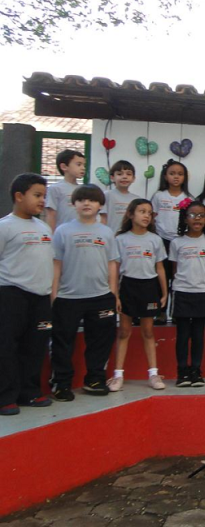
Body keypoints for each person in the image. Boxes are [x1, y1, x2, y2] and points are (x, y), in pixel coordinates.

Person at [50, 185, 120, 400]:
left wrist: (113, 293)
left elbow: (112, 264)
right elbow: (56, 264)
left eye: (92, 200)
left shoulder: (106, 232)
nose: (87, 203)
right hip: (67, 297)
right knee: (63, 342)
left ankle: (95, 379)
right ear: (74, 204)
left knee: (100, 341)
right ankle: (62, 383)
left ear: (100, 205)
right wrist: (54, 294)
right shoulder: (62, 231)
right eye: (81, 200)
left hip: (101, 297)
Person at [0, 174, 54, 416]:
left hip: (40, 296)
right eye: (37, 195)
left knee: (35, 346)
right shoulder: (5, 227)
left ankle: (29, 392)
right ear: (19, 196)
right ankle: (5, 397)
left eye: (44, 196)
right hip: (11, 294)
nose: (42, 200)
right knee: (7, 347)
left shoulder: (44, 228)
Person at [109, 199, 168, 392]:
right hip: (128, 286)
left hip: (148, 287)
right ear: (130, 214)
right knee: (124, 331)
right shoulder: (121, 239)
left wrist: (164, 292)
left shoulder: (155, 239)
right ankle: (118, 375)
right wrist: (115, 295)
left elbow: (160, 267)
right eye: (142, 211)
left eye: (149, 213)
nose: (146, 216)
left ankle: (153, 374)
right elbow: (115, 269)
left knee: (148, 331)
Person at [170, 200, 205, 387]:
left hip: (202, 292)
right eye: (192, 215)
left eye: (201, 215)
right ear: (185, 218)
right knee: (183, 334)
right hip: (182, 291)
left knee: (198, 334)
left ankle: (196, 371)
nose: (197, 219)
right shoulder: (177, 242)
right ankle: (182, 371)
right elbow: (175, 269)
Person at [151, 159, 192, 324]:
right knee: (161, 277)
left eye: (180, 174)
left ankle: (176, 311)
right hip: (162, 241)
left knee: (178, 277)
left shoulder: (188, 198)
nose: (176, 177)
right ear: (165, 176)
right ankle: (160, 312)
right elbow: (152, 218)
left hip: (181, 242)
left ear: (185, 177)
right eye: (172, 173)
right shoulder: (159, 196)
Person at [45, 149, 86, 230]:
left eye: (84, 165)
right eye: (79, 164)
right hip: (62, 233)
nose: (83, 168)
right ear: (64, 167)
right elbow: (51, 215)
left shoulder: (84, 190)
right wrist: (51, 234)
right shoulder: (55, 188)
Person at [100, 160, 141, 234]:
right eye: (119, 174)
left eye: (128, 174)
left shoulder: (137, 199)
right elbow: (103, 218)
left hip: (129, 237)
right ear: (112, 177)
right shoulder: (106, 195)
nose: (124, 177)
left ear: (133, 178)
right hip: (111, 236)